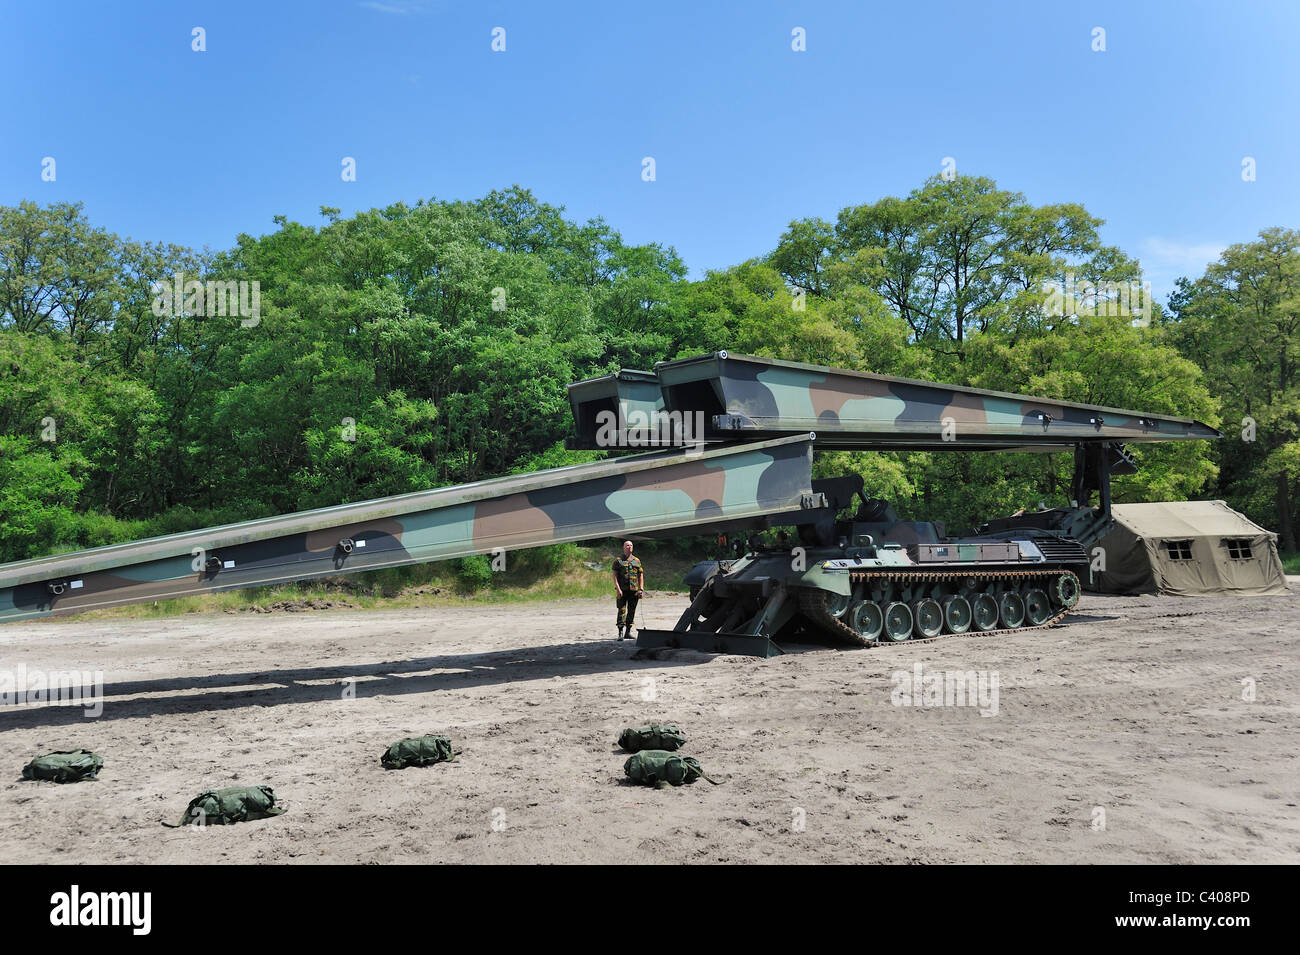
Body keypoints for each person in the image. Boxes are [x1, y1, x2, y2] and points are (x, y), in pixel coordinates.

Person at [612, 540, 645, 640]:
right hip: (622, 590)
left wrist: (641, 589)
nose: (629, 547)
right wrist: (618, 589)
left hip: (634, 591)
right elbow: (614, 576)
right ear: (623, 547)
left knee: (632, 611)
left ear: (632, 548)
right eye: (627, 545)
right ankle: (620, 632)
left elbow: (641, 575)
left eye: (630, 545)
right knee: (621, 610)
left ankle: (628, 632)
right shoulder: (618, 561)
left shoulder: (637, 560)